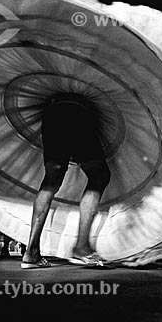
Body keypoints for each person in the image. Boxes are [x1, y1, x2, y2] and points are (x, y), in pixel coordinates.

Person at [21, 93, 111, 269]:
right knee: (99, 175)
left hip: (52, 114)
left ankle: (31, 252)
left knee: (51, 180)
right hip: (78, 112)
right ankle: (82, 247)